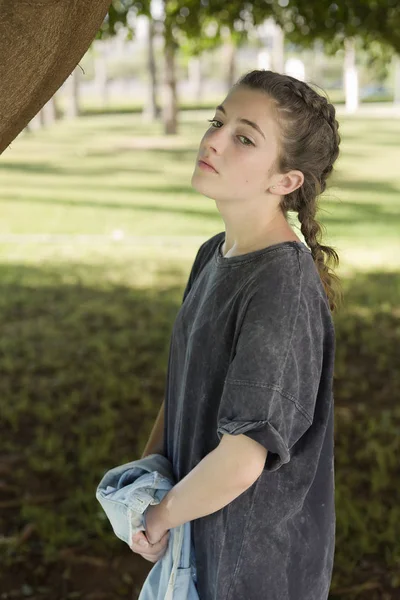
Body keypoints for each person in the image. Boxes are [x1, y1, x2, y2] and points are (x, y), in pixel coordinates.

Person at [132, 69, 343, 600]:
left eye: (244, 137)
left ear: (286, 181)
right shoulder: (213, 254)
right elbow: (182, 388)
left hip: (254, 569)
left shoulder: (281, 286)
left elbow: (244, 455)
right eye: (217, 122)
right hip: (195, 545)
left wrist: (161, 515)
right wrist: (147, 479)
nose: (214, 140)